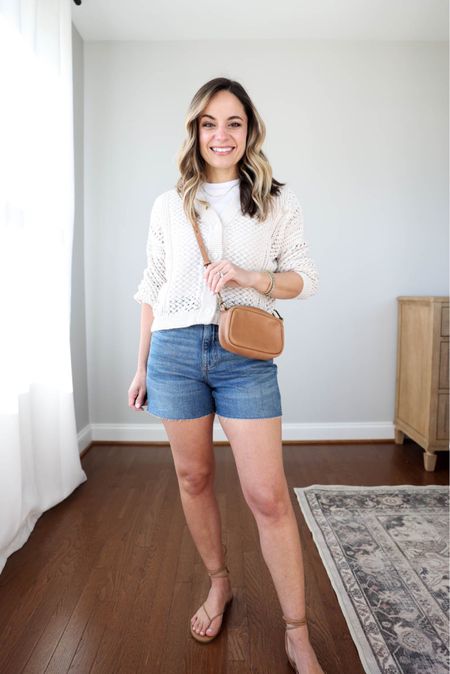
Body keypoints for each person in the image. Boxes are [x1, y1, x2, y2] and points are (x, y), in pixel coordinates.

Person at [128, 77, 324, 674]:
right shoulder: (169, 204)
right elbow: (152, 289)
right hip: (175, 354)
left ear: (249, 131)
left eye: (233, 123)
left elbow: (304, 279)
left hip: (246, 357)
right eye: (210, 123)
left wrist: (248, 276)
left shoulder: (273, 201)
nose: (222, 134)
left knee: (267, 496)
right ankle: (219, 584)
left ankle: (298, 632)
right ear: (196, 130)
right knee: (193, 478)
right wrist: (140, 367)